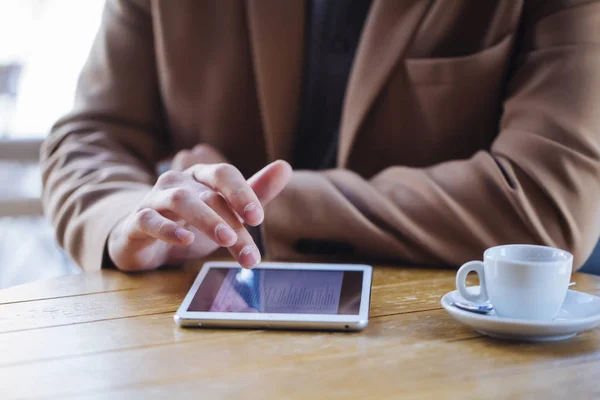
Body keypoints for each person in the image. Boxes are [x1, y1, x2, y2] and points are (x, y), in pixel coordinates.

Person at [41, 0, 600, 273]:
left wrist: (241, 214)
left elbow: (545, 204)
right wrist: (134, 223)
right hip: (208, 343)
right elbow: (89, 137)